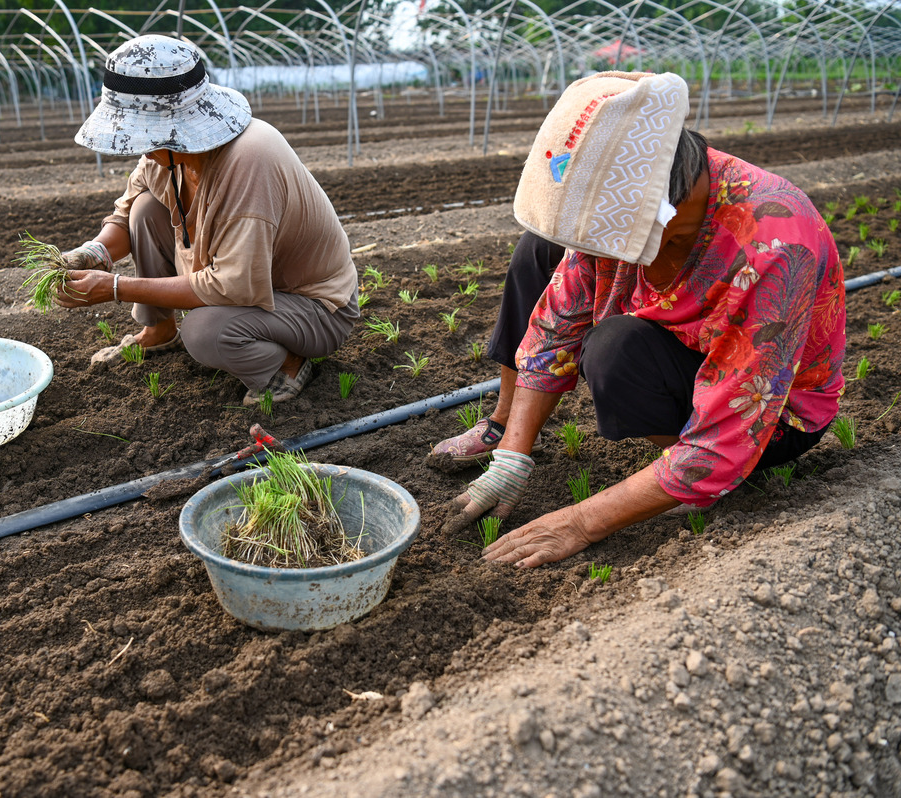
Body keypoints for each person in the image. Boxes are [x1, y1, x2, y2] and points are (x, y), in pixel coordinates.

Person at [434, 71, 846, 568]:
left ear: (664, 216)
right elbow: (555, 328)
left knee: (614, 350)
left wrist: (580, 521)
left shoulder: (774, 247)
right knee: (538, 250)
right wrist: (510, 463)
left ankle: (707, 481)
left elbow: (729, 431)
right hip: (680, 345)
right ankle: (504, 431)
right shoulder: (629, 214)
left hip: (772, 417)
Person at [53, 34, 359, 405]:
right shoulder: (163, 156)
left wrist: (115, 287)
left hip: (310, 306)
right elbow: (123, 216)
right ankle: (159, 329)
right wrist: (92, 253)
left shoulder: (249, 161)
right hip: (246, 283)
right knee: (146, 210)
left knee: (204, 331)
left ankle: (288, 364)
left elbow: (234, 286)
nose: (138, 146)